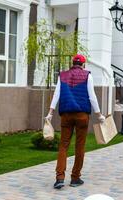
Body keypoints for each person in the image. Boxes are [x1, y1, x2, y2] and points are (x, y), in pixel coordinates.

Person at [46, 54, 105, 189]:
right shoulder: (87, 75)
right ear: (83, 65)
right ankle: (75, 178)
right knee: (80, 146)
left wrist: (50, 113)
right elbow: (92, 96)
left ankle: (59, 178)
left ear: (72, 63)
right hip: (82, 116)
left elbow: (57, 94)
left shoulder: (62, 75)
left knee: (63, 145)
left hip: (66, 115)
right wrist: (99, 114)